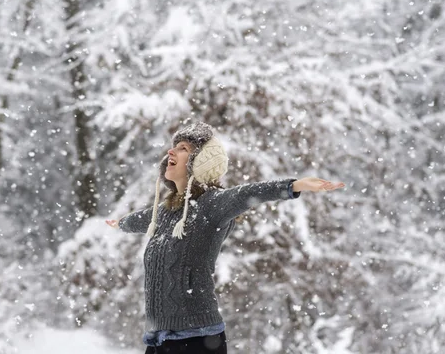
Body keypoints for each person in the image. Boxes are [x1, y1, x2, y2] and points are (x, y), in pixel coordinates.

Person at [105, 121, 345, 354]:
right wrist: (121, 223)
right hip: (158, 339)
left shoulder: (212, 204)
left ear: (201, 162)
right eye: (174, 145)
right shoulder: (165, 212)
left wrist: (294, 185)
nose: (172, 150)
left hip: (197, 339)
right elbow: (141, 219)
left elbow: (248, 193)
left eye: (183, 148)